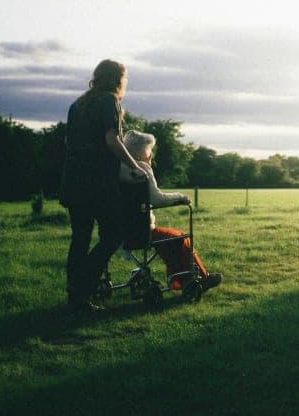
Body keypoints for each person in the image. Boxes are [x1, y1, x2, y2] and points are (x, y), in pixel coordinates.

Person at [60, 59, 147, 312]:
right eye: (125, 77)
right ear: (117, 79)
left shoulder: (78, 104)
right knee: (112, 236)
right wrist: (134, 165)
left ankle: (76, 296)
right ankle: (83, 285)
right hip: (96, 183)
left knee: (80, 239)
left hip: (74, 181)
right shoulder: (109, 101)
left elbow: (71, 142)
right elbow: (112, 140)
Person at [120, 130, 223, 292]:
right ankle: (200, 278)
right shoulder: (142, 169)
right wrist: (181, 197)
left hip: (120, 230)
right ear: (140, 152)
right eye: (149, 150)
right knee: (180, 238)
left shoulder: (118, 168)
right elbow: (157, 199)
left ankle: (179, 278)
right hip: (141, 231)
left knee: (169, 240)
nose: (151, 153)